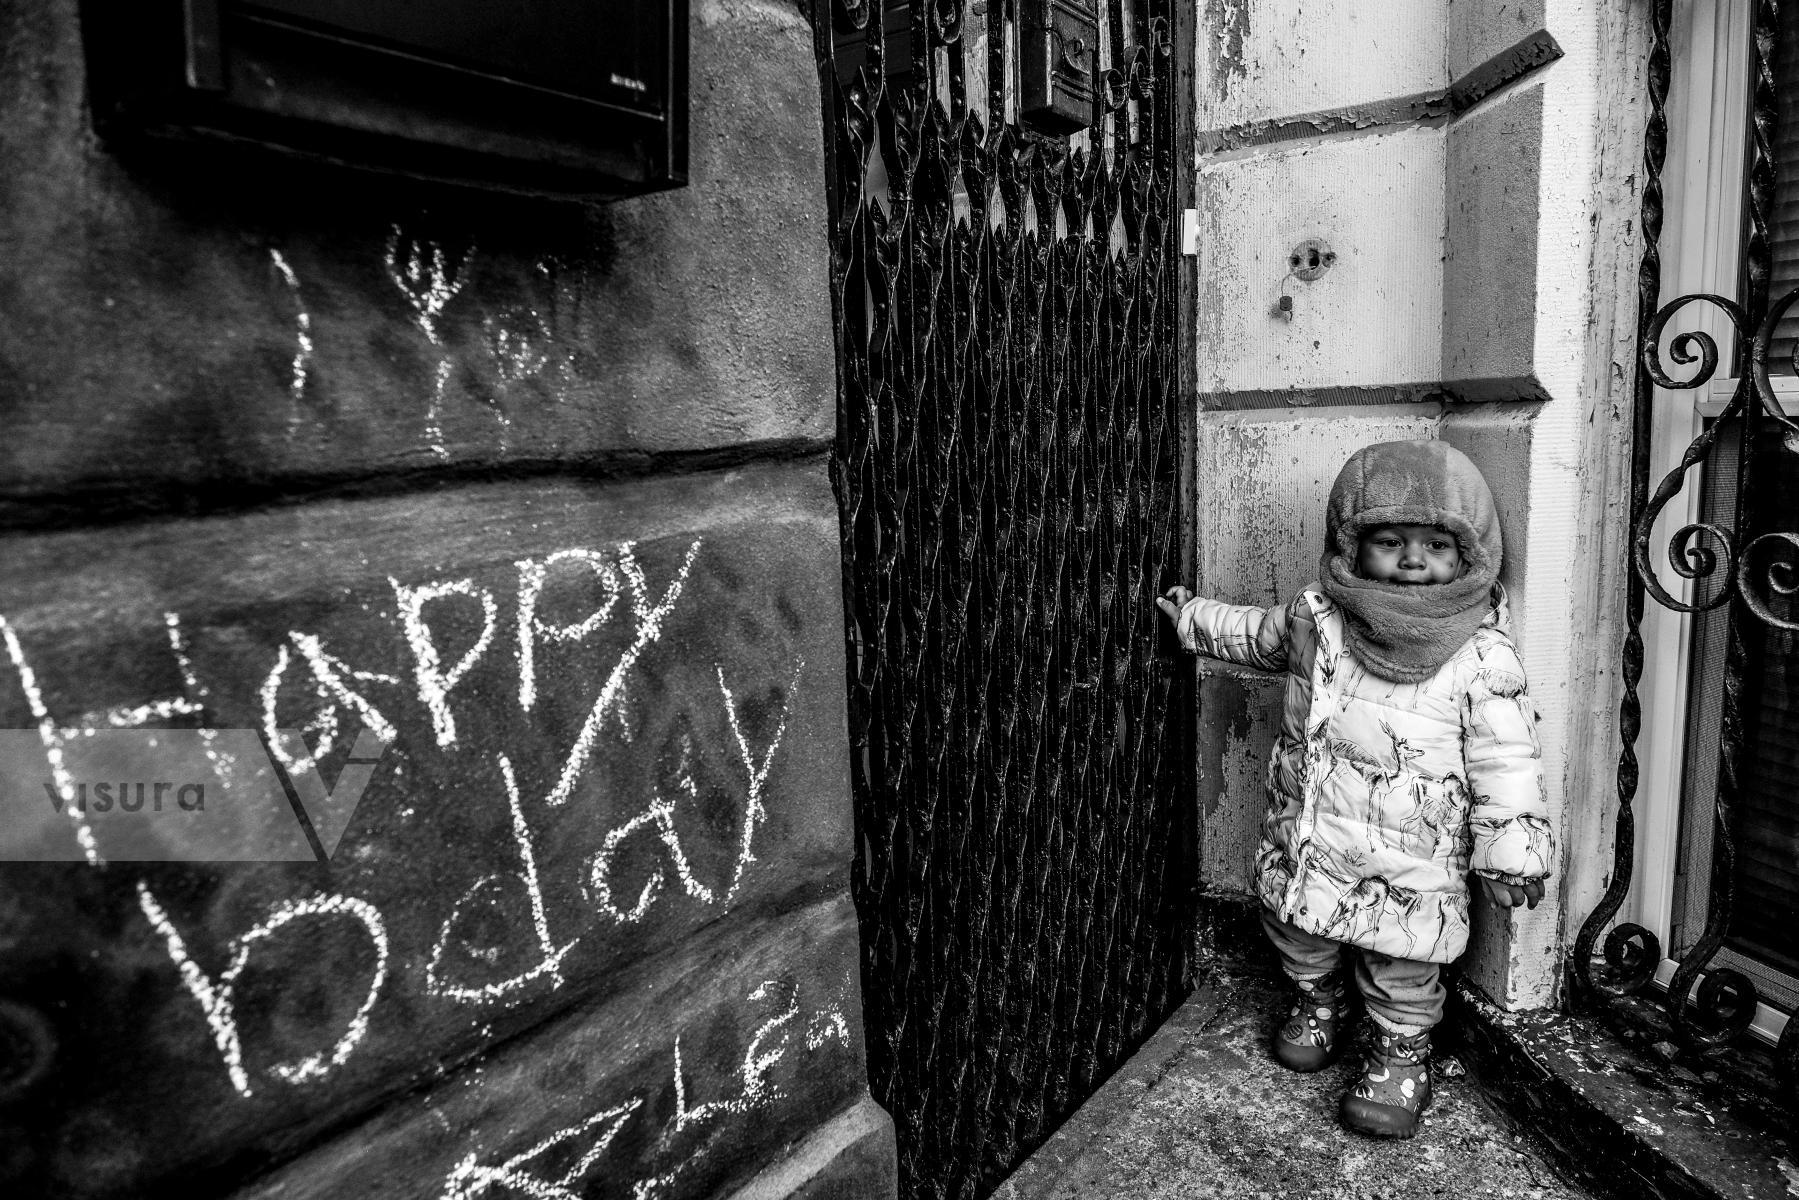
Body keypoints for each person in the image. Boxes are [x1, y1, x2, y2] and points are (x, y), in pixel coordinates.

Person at [1156, 440, 1552, 1139]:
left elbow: (1505, 754)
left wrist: (1512, 849)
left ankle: (1400, 1052)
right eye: (1389, 541)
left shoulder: (1479, 650)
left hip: (1410, 853)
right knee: (1295, 926)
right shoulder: (1319, 617)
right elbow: (1255, 633)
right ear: (1350, 543)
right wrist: (1192, 618)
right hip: (1312, 831)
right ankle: (1317, 1000)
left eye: (1435, 544)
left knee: (1400, 960)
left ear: (1470, 554)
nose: (1410, 559)